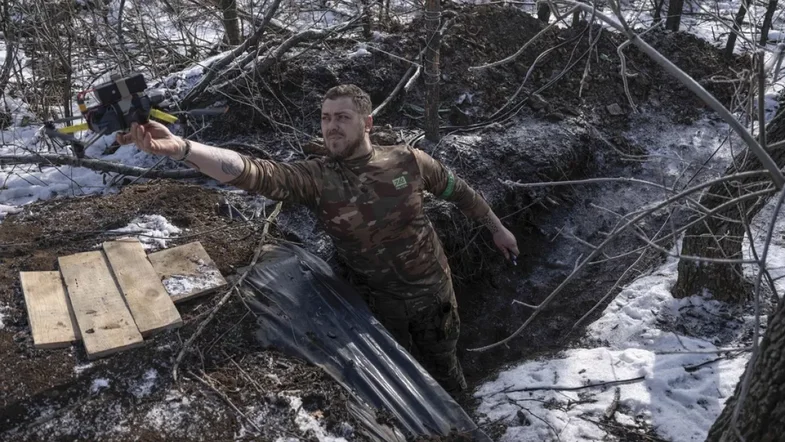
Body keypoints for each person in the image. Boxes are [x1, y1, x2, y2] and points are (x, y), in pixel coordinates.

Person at [118, 84, 519, 393]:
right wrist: (183, 148)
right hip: (375, 309)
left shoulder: (407, 161)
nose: (331, 126)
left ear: (367, 124)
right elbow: (253, 172)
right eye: (326, 117)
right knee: (401, 383)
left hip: (434, 294)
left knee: (447, 371)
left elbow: (459, 191)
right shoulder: (316, 178)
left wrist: (497, 228)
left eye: (342, 117)